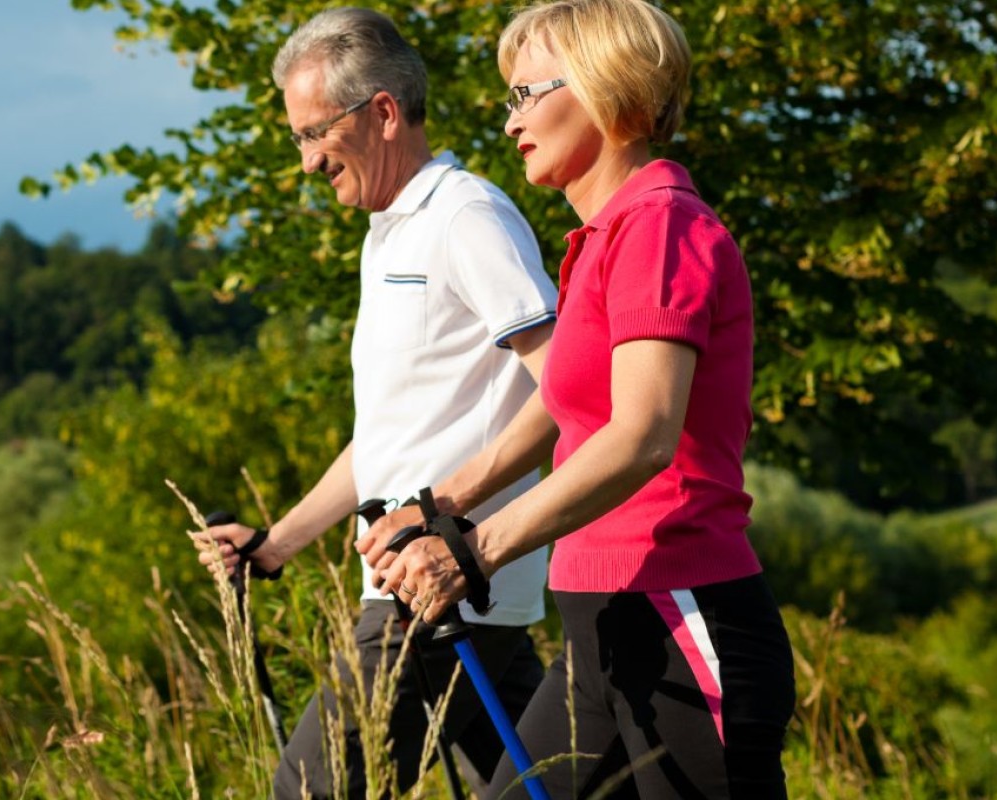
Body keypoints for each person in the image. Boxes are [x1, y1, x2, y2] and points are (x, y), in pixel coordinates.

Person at [376, 1, 798, 797]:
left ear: (607, 89)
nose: (511, 124)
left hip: (679, 614)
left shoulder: (662, 226)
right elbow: (564, 409)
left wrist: (475, 550)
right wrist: (437, 506)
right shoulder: (602, 241)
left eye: (527, 94)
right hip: (599, 623)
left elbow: (641, 434)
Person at [197, 7, 561, 798]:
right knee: (553, 788)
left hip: (439, 594)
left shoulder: (466, 217)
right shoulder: (388, 233)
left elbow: (568, 390)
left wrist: (444, 513)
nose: (305, 162)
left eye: (314, 133)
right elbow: (389, 437)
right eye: (297, 138)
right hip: (447, 592)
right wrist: (277, 544)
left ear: (384, 113)